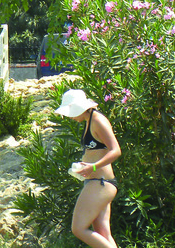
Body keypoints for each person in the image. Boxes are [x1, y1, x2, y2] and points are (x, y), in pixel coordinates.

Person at [55, 89, 120, 248]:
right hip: (97, 182)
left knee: (78, 228)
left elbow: (116, 150)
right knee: (103, 233)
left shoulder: (98, 120)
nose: (70, 117)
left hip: (101, 182)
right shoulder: (89, 121)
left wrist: (94, 166)